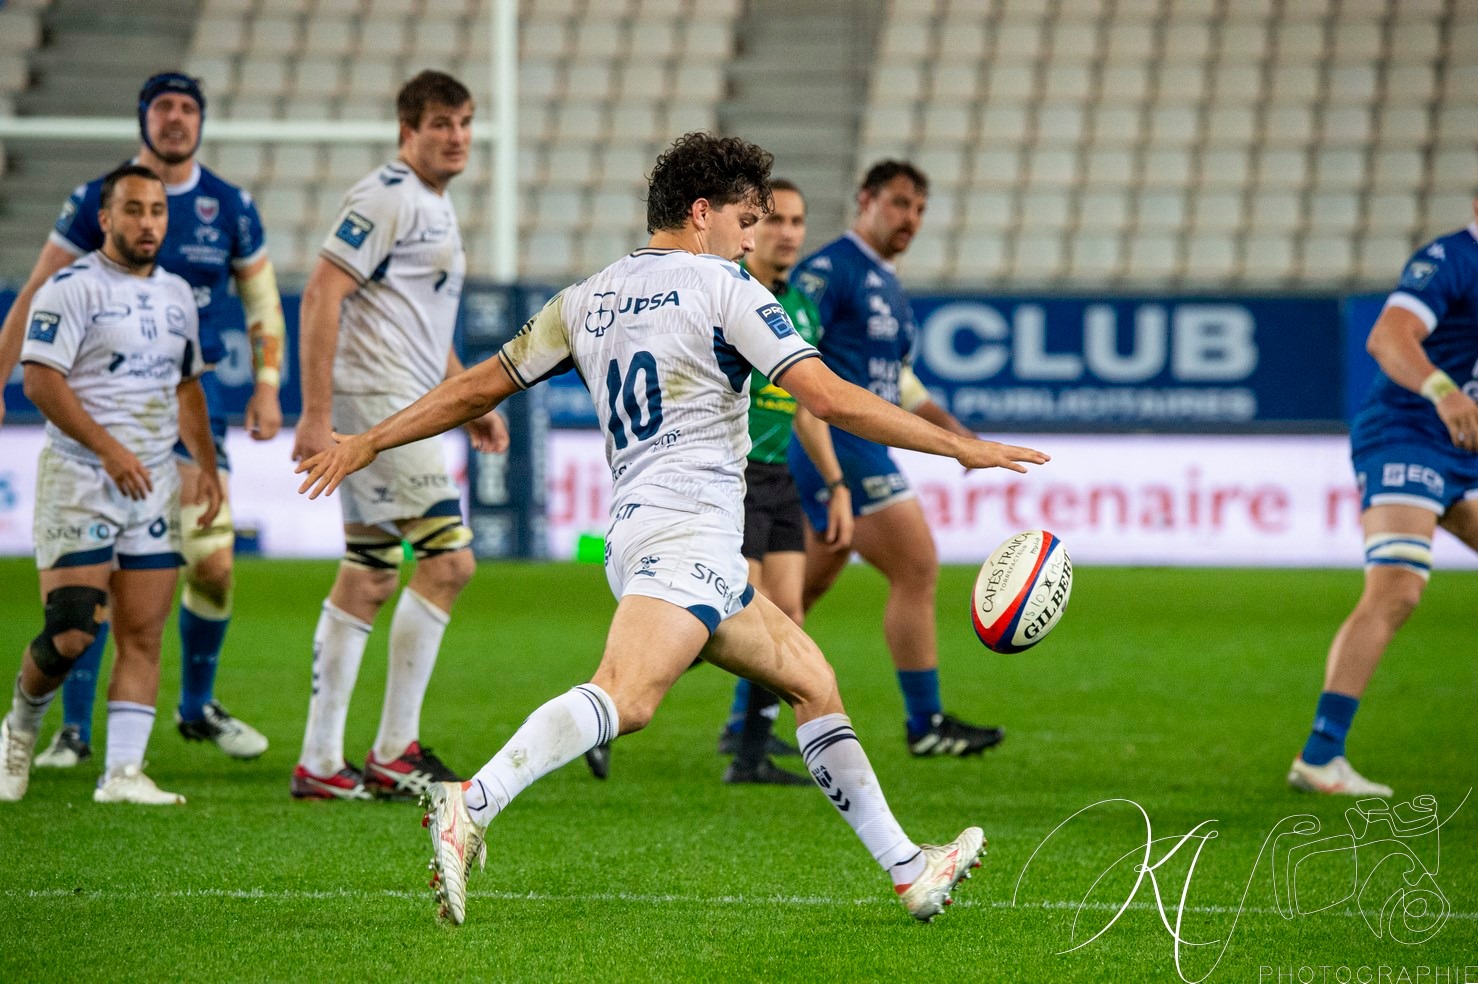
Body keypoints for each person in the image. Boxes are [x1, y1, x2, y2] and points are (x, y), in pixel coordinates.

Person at [295, 132, 1048, 925]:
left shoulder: (584, 298)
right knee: (631, 697)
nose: (754, 237)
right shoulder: (728, 290)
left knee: (811, 681)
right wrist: (959, 444)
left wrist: (371, 438)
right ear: (701, 214)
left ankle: (908, 868)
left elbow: (478, 386)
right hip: (685, 536)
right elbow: (828, 397)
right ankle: (471, 801)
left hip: (655, 536)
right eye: (747, 219)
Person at [0, 72, 281, 766]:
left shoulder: (229, 205)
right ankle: (72, 730)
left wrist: (268, 384)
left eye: (188, 107)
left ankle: (195, 706)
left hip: (189, 409)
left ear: (202, 121)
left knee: (212, 567)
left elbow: (263, 302)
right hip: (100, 413)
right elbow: (40, 289)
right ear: (143, 118)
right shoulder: (98, 202)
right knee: (97, 586)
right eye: (163, 107)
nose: (176, 119)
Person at [289, 70, 507, 801]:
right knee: (451, 564)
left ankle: (320, 763)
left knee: (372, 571)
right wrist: (316, 415)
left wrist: (464, 397)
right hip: (375, 402)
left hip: (407, 397)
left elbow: (416, 320)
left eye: (466, 123)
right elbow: (323, 291)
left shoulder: (431, 205)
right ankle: (393, 752)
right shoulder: (387, 195)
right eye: (441, 123)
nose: (457, 137)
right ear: (406, 131)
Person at [0, 164, 222, 805]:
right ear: (105, 218)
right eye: (133, 210)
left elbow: (187, 389)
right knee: (72, 631)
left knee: (144, 632)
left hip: (151, 482)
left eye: (156, 210)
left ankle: (122, 774)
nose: (147, 222)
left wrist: (206, 467)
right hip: (80, 477)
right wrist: (109, 449)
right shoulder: (68, 289)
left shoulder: (178, 293)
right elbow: (40, 381)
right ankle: (20, 724)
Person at [788, 161, 1004, 757]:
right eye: (900, 203)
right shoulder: (830, 272)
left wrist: (958, 436)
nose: (910, 218)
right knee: (916, 567)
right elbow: (794, 359)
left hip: (858, 446)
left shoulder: (886, 285)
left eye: (919, 209)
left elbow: (899, 381)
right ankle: (926, 724)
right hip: (839, 444)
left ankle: (737, 722)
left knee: (791, 597)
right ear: (866, 200)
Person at [1287, 209, 1478, 797]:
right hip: (1409, 433)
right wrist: (1443, 391)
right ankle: (1320, 754)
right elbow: (1387, 336)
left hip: (1460, 447)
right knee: (1398, 585)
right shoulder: (1453, 260)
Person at [716, 178, 851, 785]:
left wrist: (837, 481)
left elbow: (805, 408)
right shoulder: (730, 296)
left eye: (798, 221)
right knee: (737, 616)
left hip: (782, 479)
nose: (790, 232)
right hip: (737, 473)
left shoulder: (801, 311)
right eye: (777, 221)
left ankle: (749, 752)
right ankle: (609, 700)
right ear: (754, 229)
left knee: (788, 614)